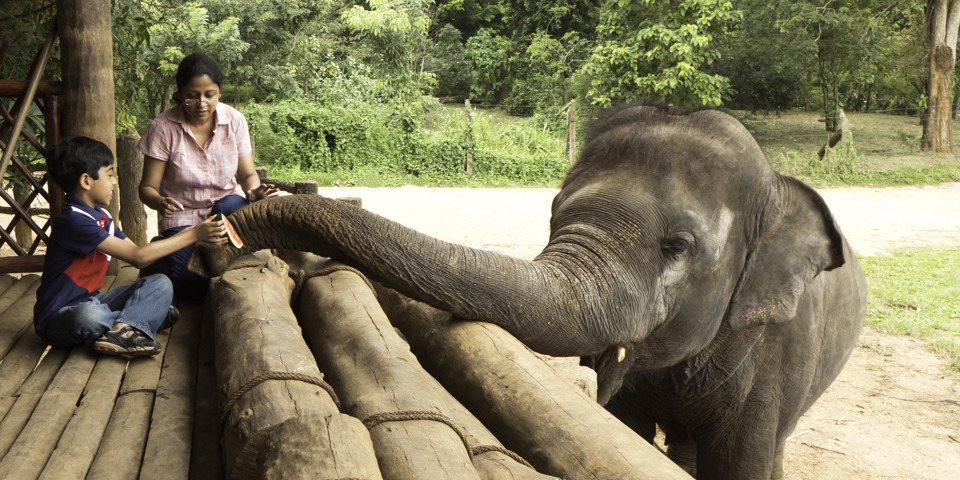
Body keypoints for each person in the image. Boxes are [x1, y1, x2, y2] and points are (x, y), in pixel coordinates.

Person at [34, 136, 227, 357]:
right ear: (86, 181)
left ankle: (127, 326)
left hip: (95, 301)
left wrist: (188, 236)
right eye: (109, 174)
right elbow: (138, 257)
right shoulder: (74, 220)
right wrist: (193, 234)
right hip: (58, 319)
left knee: (161, 282)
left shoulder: (102, 216)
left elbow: (141, 254)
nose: (114, 182)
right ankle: (137, 321)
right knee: (88, 316)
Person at [138, 52, 278, 301]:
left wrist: (254, 191)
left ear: (219, 92)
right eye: (192, 96)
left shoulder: (234, 120)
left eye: (209, 95)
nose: (201, 103)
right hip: (182, 217)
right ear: (180, 93)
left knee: (231, 204)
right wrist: (160, 202)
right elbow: (147, 188)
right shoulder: (162, 128)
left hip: (227, 209)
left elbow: (247, 174)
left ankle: (215, 261)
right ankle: (182, 260)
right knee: (179, 282)